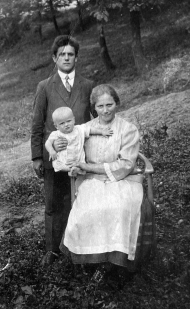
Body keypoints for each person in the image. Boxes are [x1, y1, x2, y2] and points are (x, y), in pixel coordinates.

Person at [60, 84, 155, 275]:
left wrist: (89, 167)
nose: (105, 110)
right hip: (91, 181)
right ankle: (94, 261)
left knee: (120, 208)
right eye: (100, 106)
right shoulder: (84, 130)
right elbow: (75, 157)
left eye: (109, 105)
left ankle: (116, 263)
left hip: (123, 180)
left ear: (117, 104)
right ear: (93, 108)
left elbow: (126, 164)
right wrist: (75, 166)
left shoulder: (128, 129)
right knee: (88, 210)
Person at [31, 35, 94, 266]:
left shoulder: (87, 85)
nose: (66, 58)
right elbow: (37, 123)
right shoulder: (45, 87)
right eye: (62, 54)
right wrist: (38, 156)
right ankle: (52, 250)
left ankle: (80, 248)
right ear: (54, 58)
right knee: (54, 203)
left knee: (80, 200)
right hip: (54, 157)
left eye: (70, 54)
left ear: (76, 57)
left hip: (80, 156)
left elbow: (96, 121)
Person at [45, 106, 113, 173]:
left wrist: (102, 132)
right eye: (62, 123)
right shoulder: (56, 134)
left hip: (78, 158)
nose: (66, 124)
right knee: (60, 166)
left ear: (74, 120)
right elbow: (48, 143)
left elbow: (90, 130)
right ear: (56, 126)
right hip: (63, 160)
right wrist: (51, 151)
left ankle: (75, 169)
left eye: (68, 121)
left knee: (80, 166)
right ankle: (70, 169)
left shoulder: (79, 129)